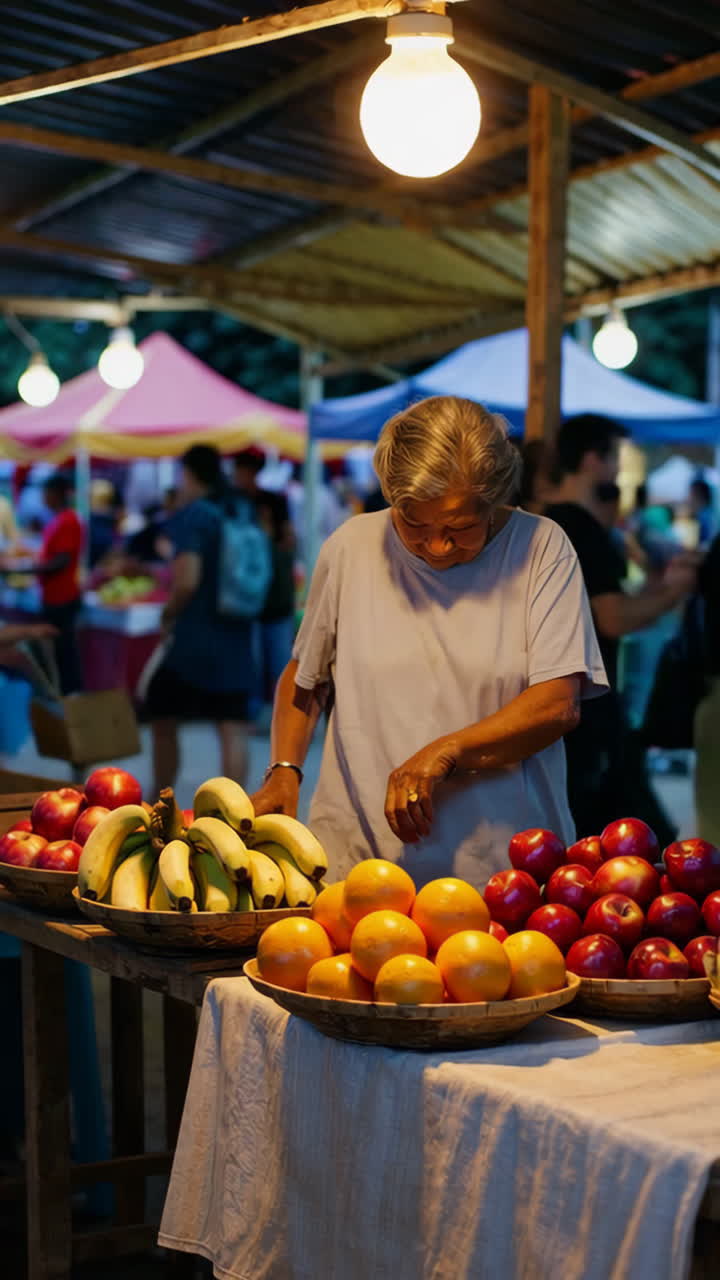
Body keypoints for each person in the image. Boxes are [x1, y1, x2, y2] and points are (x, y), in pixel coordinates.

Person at [250, 396, 607, 888]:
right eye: (413, 522)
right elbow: (306, 675)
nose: (437, 546)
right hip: (358, 869)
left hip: (504, 875)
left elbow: (556, 705)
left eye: (460, 527)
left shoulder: (541, 548)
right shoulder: (352, 547)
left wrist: (446, 753)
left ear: (495, 501)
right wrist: (284, 768)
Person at [545, 414, 697, 841]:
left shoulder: (556, 523)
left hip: (575, 708)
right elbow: (611, 619)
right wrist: (675, 592)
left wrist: (657, 587)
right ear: (594, 460)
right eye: (617, 458)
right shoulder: (579, 529)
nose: (620, 471)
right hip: (587, 713)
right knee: (632, 843)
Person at [142, 445, 257, 792]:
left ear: (190, 474)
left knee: (162, 714)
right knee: (232, 726)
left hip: (195, 637)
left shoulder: (194, 516)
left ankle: (160, 800)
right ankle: (236, 812)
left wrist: (168, 613)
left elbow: (187, 580)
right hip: (237, 631)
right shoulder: (240, 509)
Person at [233, 451, 296, 703]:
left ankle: (283, 714)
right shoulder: (233, 503)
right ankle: (254, 710)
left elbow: (288, 543)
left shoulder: (274, 502)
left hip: (274, 597)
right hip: (249, 598)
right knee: (253, 660)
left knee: (278, 659)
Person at [33, 473, 84, 695]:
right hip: (52, 594)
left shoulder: (68, 521)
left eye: (45, 492)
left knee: (64, 650)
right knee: (58, 650)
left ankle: (70, 696)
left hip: (62, 596)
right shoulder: (58, 520)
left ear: (55, 494)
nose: (43, 498)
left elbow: (62, 560)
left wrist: (29, 568)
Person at [689, 478, 717, 548]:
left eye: (691, 494)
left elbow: (706, 544)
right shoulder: (709, 513)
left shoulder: (704, 516)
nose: (689, 498)